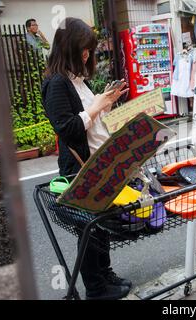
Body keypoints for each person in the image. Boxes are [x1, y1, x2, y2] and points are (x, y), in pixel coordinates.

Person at [41, 18, 131, 300]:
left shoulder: (78, 80)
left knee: (99, 227)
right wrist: (95, 108)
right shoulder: (56, 83)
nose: (87, 55)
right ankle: (96, 288)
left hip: (98, 165)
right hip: (79, 169)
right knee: (89, 230)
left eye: (89, 50)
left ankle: (105, 276)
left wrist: (107, 103)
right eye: (83, 49)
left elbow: (93, 121)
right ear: (67, 47)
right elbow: (66, 128)